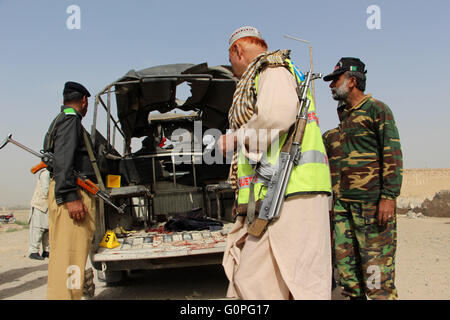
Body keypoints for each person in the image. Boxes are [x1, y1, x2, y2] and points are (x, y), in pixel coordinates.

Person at [219, 26, 332, 300]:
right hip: (281, 193)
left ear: (237, 50)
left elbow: (278, 117)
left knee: (275, 283)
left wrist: (235, 138)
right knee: (270, 281)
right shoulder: (277, 72)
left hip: (291, 192)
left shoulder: (271, 69)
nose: (232, 66)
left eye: (230, 58)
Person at [323, 57, 403, 300]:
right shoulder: (341, 123)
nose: (331, 85)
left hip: (371, 208)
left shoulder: (377, 110)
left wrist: (388, 197)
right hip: (342, 209)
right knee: (348, 279)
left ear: (352, 81)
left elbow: (392, 155)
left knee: (376, 278)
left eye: (335, 80)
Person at [43, 81, 96, 300]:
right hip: (72, 195)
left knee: (68, 259)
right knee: (70, 260)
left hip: (68, 192)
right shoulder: (70, 120)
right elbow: (64, 161)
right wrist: (70, 196)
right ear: (84, 101)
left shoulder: (61, 119)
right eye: (87, 103)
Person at [28, 167, 50, 260]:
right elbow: (46, 191)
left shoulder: (51, 173)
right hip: (40, 205)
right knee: (38, 229)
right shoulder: (45, 174)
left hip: (47, 206)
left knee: (47, 229)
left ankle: (46, 251)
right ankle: (33, 251)